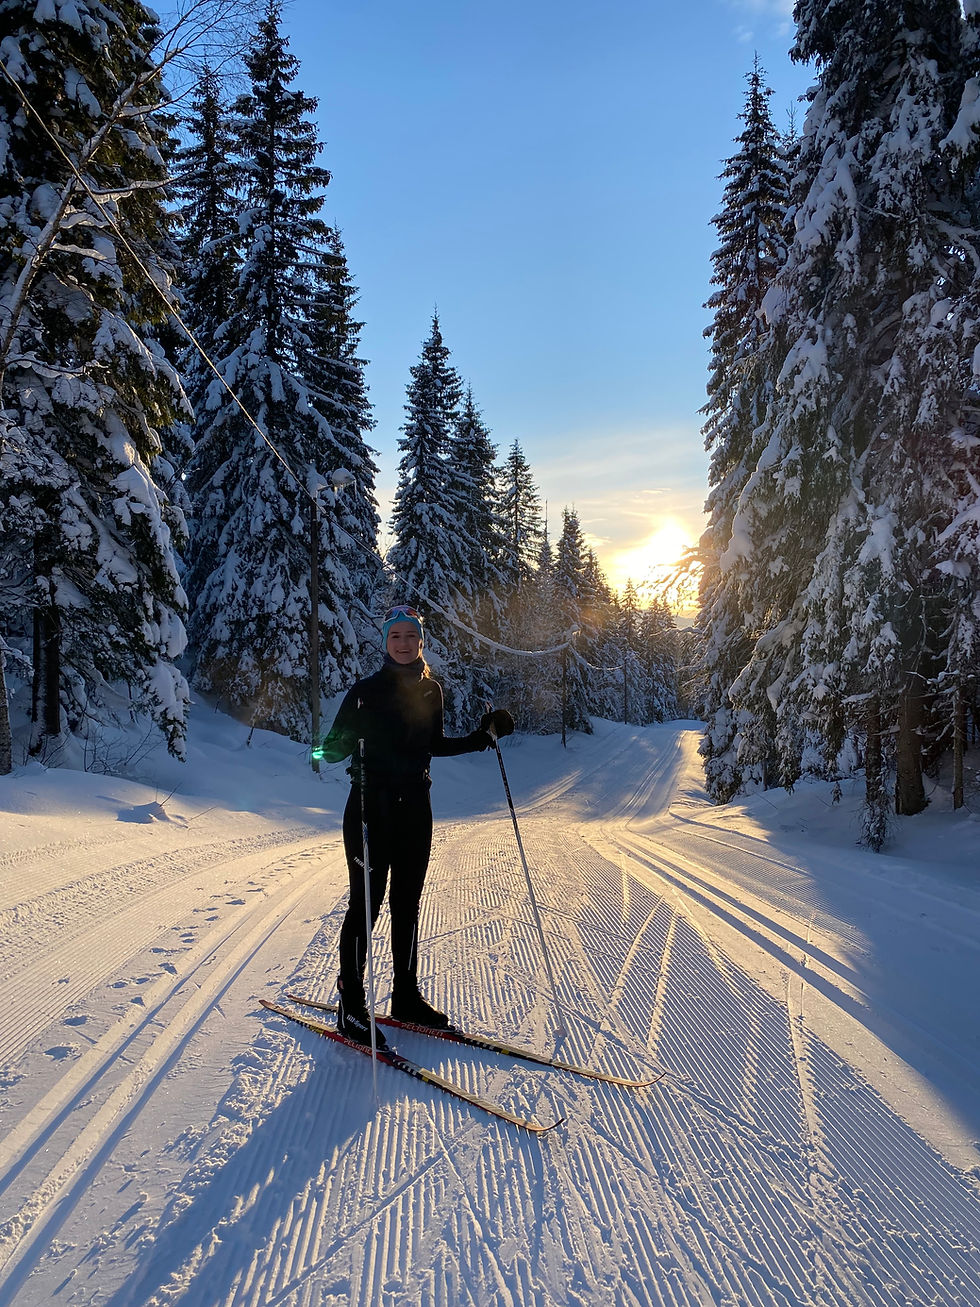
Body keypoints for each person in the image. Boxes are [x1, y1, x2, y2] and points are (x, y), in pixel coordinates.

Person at [319, 605, 514, 1047]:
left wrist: (484, 737)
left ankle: (405, 996)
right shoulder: (364, 692)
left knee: (408, 902)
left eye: (410, 636)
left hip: (415, 810)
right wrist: (338, 745)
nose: (403, 643)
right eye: (395, 636)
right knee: (366, 904)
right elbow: (329, 750)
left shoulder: (431, 693)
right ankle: (350, 1004)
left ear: (420, 642)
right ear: (385, 643)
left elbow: (434, 745)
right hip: (369, 811)